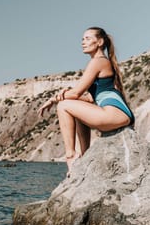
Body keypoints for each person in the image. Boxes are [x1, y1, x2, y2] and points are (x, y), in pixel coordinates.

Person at [38, 27, 134, 177]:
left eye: (88, 38)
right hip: (119, 114)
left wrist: (54, 99)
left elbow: (76, 92)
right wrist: (65, 95)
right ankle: (85, 154)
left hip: (114, 114)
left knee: (64, 106)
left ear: (100, 42)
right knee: (75, 107)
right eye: (82, 39)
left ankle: (70, 155)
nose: (83, 42)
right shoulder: (101, 62)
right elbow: (89, 98)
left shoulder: (98, 62)